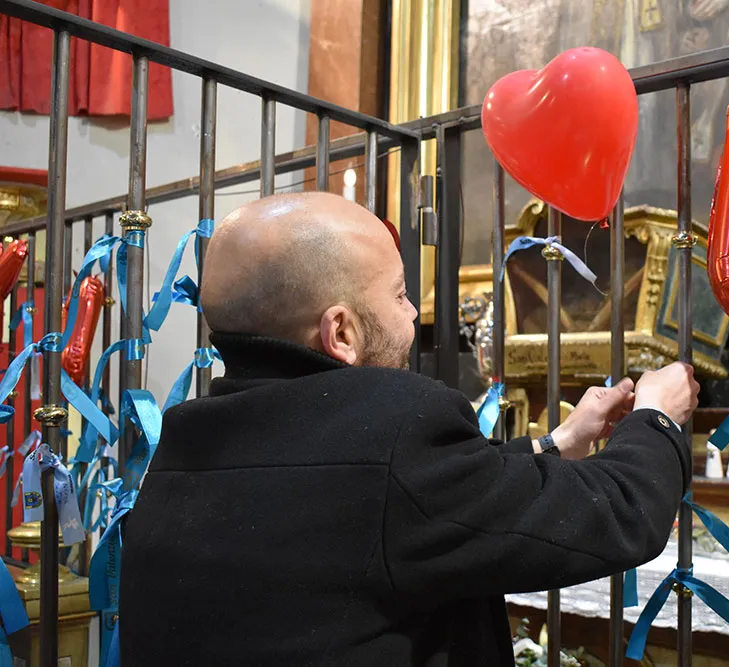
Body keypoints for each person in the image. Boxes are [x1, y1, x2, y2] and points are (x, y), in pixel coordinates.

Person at [119, 192, 699, 666]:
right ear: (340, 332)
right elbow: (617, 515)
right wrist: (657, 416)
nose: (413, 314)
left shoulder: (186, 441)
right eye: (399, 294)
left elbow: (403, 501)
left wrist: (554, 444)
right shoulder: (392, 424)